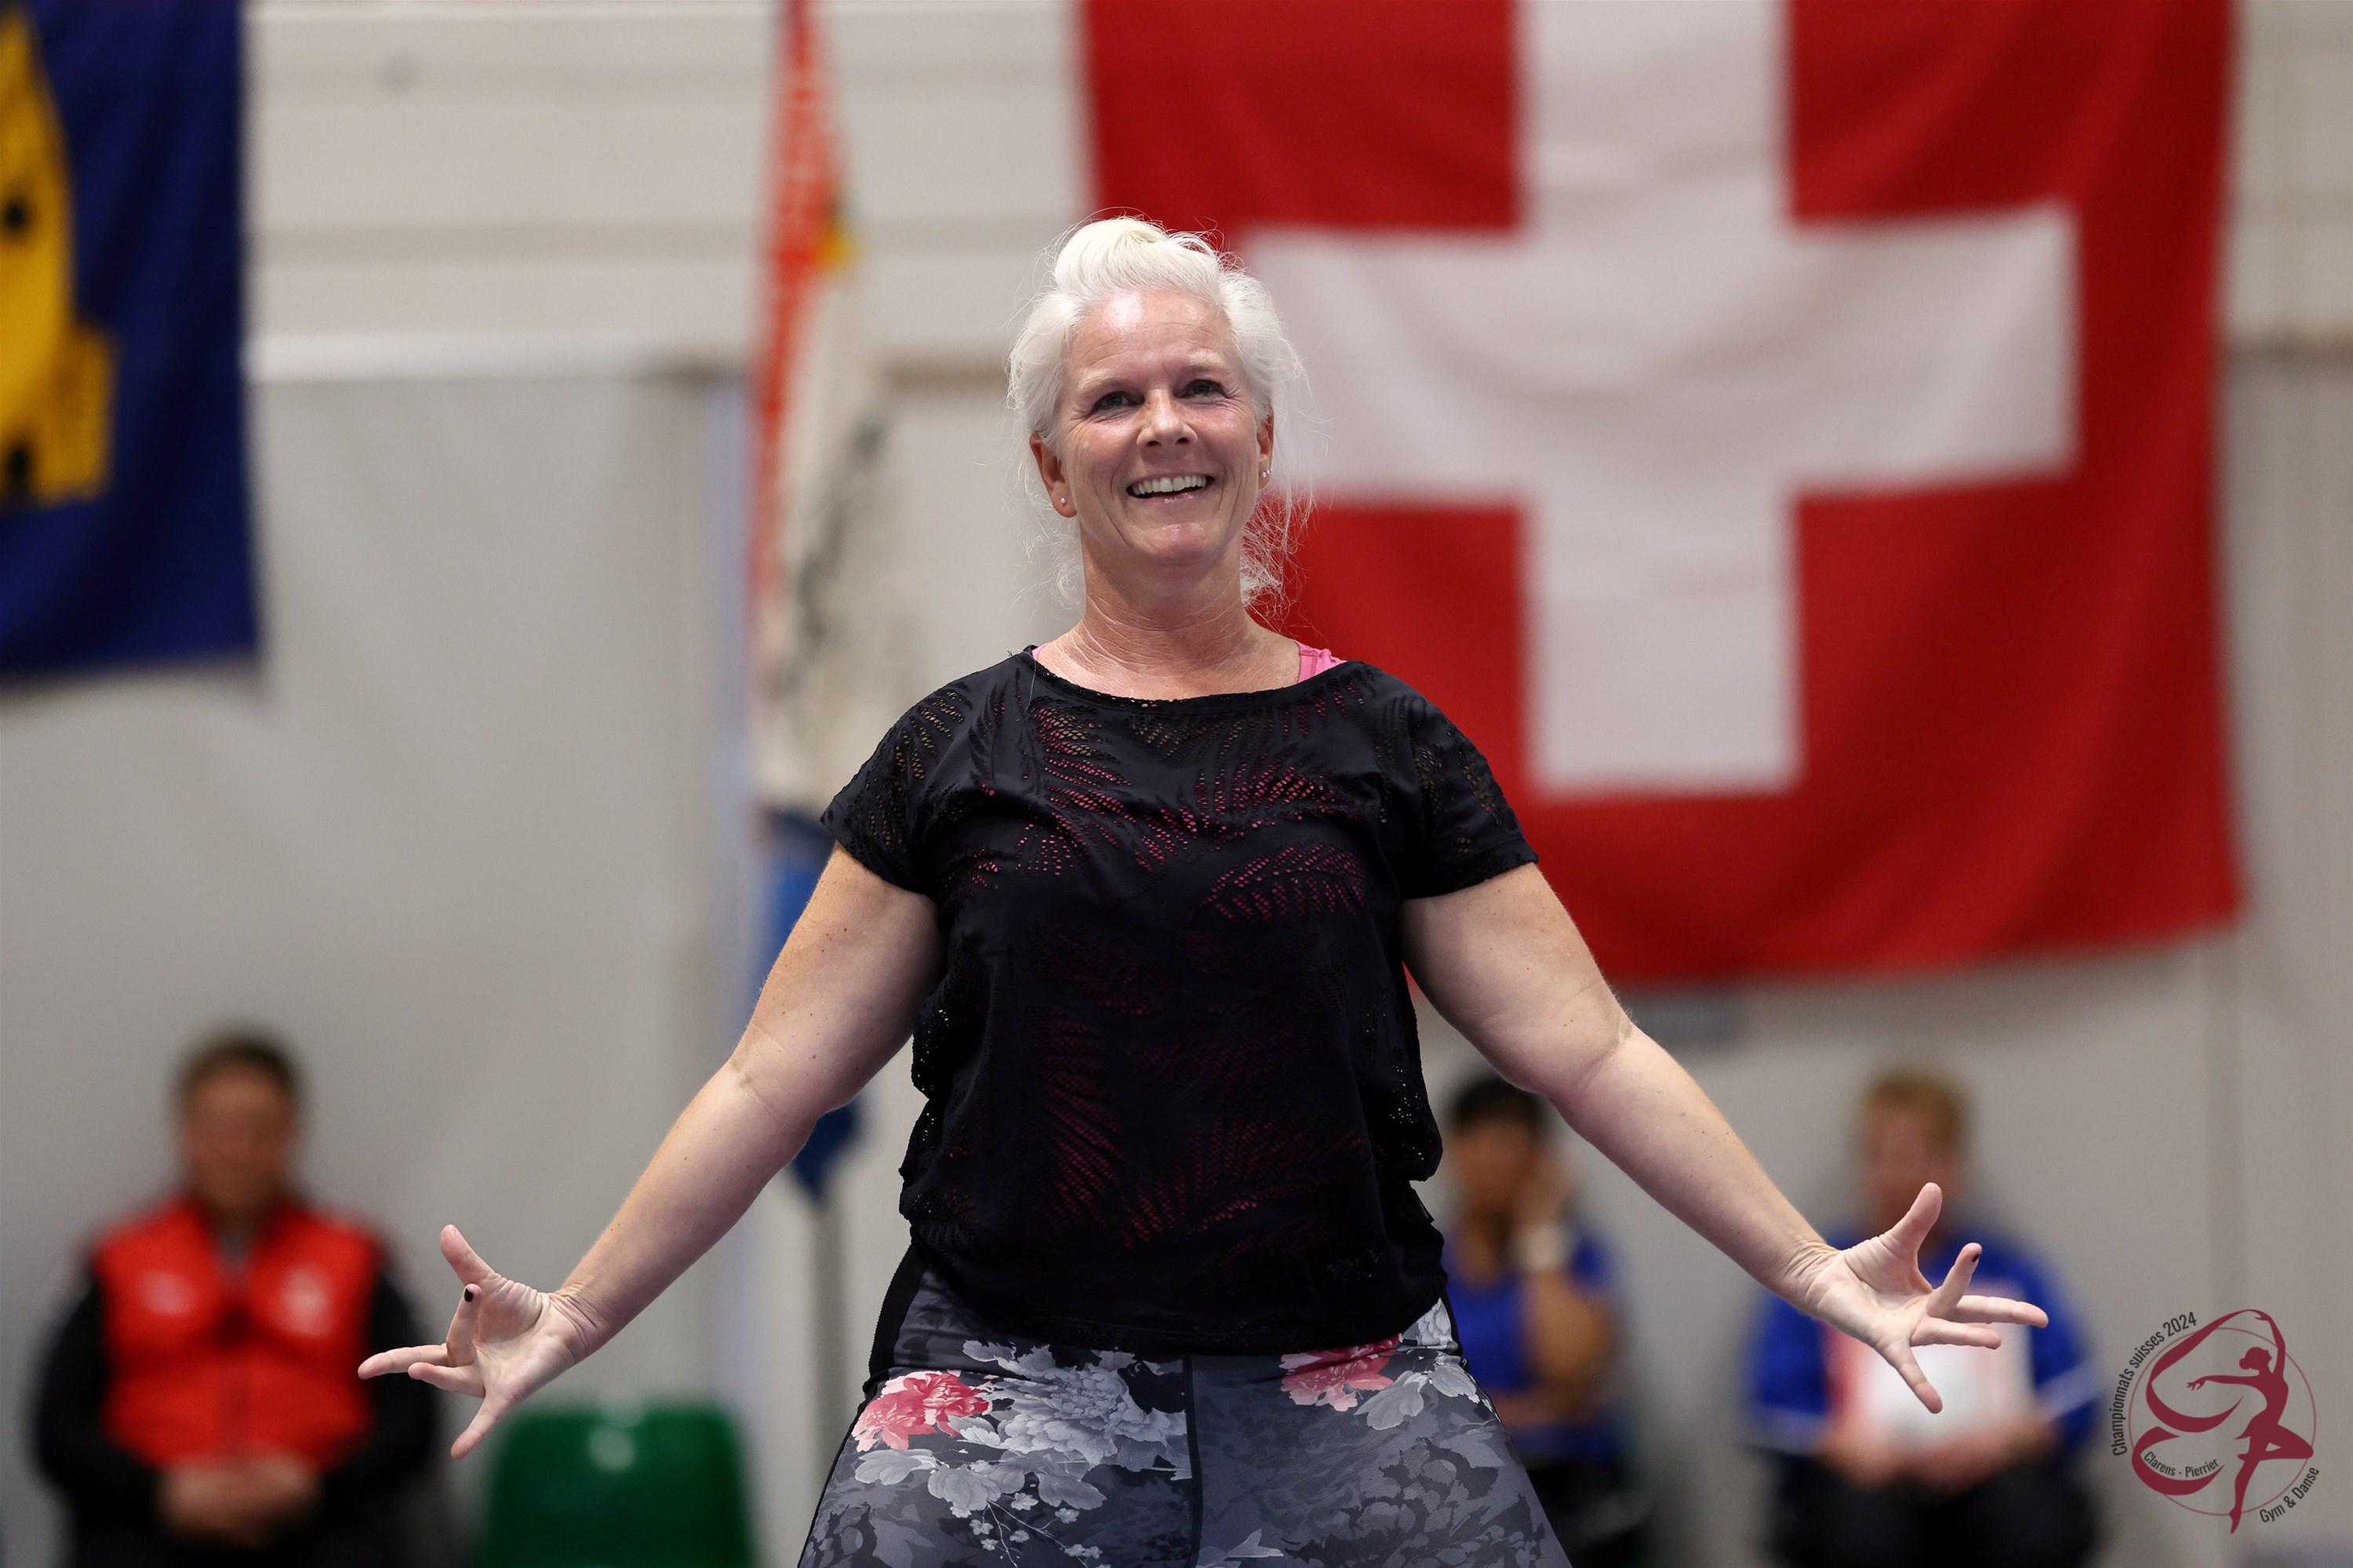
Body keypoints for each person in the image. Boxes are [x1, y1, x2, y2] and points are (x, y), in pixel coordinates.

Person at [361, 217, 2052, 1567]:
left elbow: (1592, 1053)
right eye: (1113, 400)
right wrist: (578, 1309)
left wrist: (1813, 1271)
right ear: (1054, 467)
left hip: (1345, 1382)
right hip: (1002, 1385)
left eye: (1200, 388)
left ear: (1259, 436)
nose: (1162, 424)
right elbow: (766, 1079)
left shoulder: (1385, 743)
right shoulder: (956, 753)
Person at [31, 1029, 436, 1567]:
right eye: (218, 1129)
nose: (237, 1150)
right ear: (185, 1131)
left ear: (292, 1131)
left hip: (323, 1524)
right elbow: (56, 1427)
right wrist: (160, 1490)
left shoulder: (360, 1258)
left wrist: (317, 1486)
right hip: (148, 1524)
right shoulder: (114, 1258)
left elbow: (414, 1422)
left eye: (259, 1129)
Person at [1747, 1068, 2098, 1568]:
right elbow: (1772, 1408)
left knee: (2038, 1529)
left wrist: (2004, 1441)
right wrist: (1843, 1447)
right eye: (1882, 1154)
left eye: (1920, 1154)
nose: (1900, 1173)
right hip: (1865, 1487)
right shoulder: (1822, 1272)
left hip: (1993, 1480)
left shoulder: (2007, 1269)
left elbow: (2075, 1391)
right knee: (1860, 1539)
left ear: (1955, 1165)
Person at [1441, 1074, 1651, 1567]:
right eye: (1487, 1146)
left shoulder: (1575, 1256)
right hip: (1458, 1487)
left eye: (1517, 1149)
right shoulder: (1422, 1269)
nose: (1502, 1165)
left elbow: (1570, 1374)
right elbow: (1412, 1407)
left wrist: (1540, 1240)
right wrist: (1538, 1410)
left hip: (1571, 1484)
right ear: (1456, 1151)